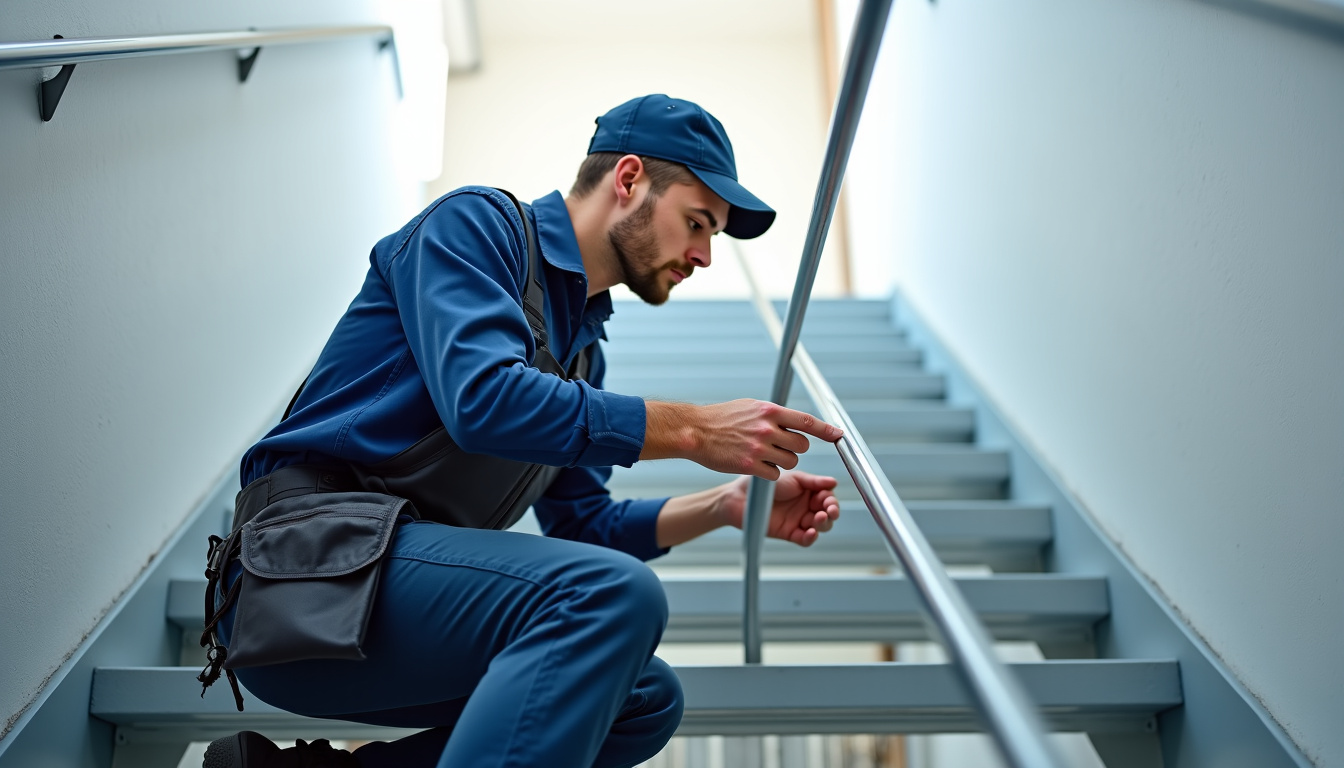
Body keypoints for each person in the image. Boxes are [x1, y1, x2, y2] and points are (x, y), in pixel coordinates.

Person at [201, 94, 844, 768]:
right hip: (302, 569)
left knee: (644, 698)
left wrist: (722, 507)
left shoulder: (583, 355)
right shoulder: (480, 227)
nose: (706, 254)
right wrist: (688, 430)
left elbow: (583, 526)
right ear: (628, 180)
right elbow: (484, 402)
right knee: (607, 597)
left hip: (383, 598)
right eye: (698, 222)